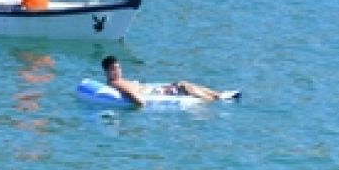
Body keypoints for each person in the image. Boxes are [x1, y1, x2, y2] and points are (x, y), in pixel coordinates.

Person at [101, 55, 239, 107]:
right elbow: (132, 94)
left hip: (153, 89)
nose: (118, 71)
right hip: (155, 94)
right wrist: (142, 104)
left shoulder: (119, 80)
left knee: (184, 83)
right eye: (114, 69)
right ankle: (217, 99)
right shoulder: (116, 83)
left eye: (119, 68)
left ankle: (219, 95)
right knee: (184, 86)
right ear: (107, 71)